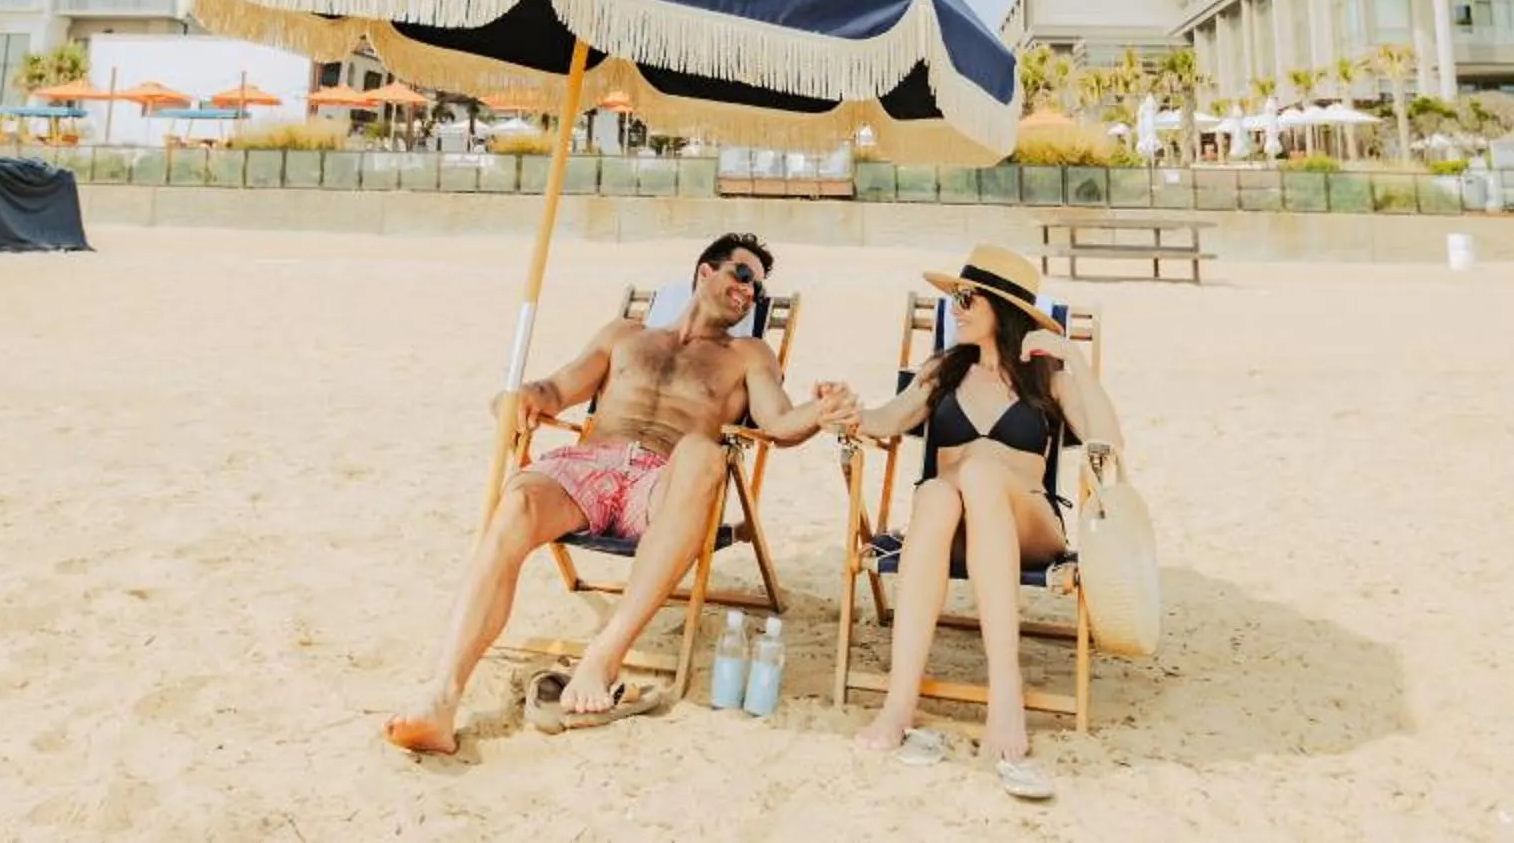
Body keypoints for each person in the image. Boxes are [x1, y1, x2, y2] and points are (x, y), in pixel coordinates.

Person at [383, 233, 856, 754]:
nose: (748, 293)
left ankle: (602, 659)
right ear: (704, 272)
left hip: (662, 483)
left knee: (704, 451)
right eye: (742, 276)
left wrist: (821, 412)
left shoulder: (748, 355)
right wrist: (518, 398)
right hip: (589, 468)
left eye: (758, 291)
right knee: (516, 502)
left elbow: (780, 422)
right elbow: (557, 390)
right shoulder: (625, 335)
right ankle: (442, 696)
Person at [848, 244, 1126, 802]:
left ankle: (1006, 695)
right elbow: (883, 420)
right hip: (952, 533)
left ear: (1003, 307)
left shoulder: (1046, 377)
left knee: (974, 472)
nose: (958, 304)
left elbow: (1109, 445)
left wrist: (1072, 356)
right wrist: (848, 412)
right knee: (933, 495)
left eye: (968, 296)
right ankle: (899, 703)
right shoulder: (941, 372)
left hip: (1029, 529)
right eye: (955, 294)